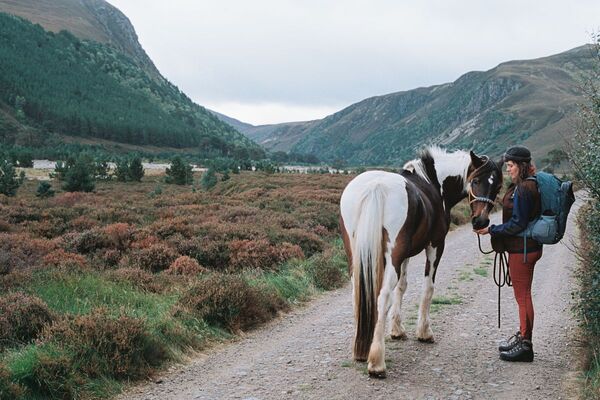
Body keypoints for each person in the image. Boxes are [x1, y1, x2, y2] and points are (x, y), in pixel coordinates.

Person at [475, 145, 541, 362]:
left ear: (522, 166)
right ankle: (523, 336)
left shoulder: (523, 189)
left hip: (522, 249)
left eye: (511, 166)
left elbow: (518, 223)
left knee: (523, 297)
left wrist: (491, 230)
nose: (508, 170)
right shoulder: (528, 184)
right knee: (523, 296)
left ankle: (526, 346)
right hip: (526, 248)